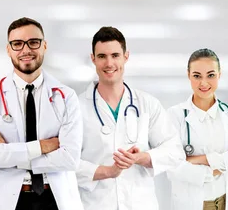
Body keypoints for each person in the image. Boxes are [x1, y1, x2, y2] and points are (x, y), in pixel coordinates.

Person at [0, 17, 84, 210]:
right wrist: (43, 146)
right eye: (17, 44)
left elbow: (70, 158)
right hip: (7, 199)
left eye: (33, 43)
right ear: (8, 49)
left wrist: (13, 155)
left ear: (44, 46)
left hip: (55, 198)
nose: (26, 50)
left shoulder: (66, 97)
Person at [75, 26, 185, 210]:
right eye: (102, 56)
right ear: (93, 59)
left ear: (126, 56)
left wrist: (142, 157)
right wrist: (106, 172)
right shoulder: (76, 108)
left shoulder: (147, 104)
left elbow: (175, 151)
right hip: (95, 205)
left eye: (115, 55)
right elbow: (64, 163)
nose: (109, 63)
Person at [165, 48, 228, 210]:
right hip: (193, 203)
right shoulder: (175, 116)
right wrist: (220, 166)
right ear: (189, 75)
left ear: (219, 75)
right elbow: (172, 167)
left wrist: (199, 159)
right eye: (197, 76)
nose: (204, 83)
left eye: (211, 75)